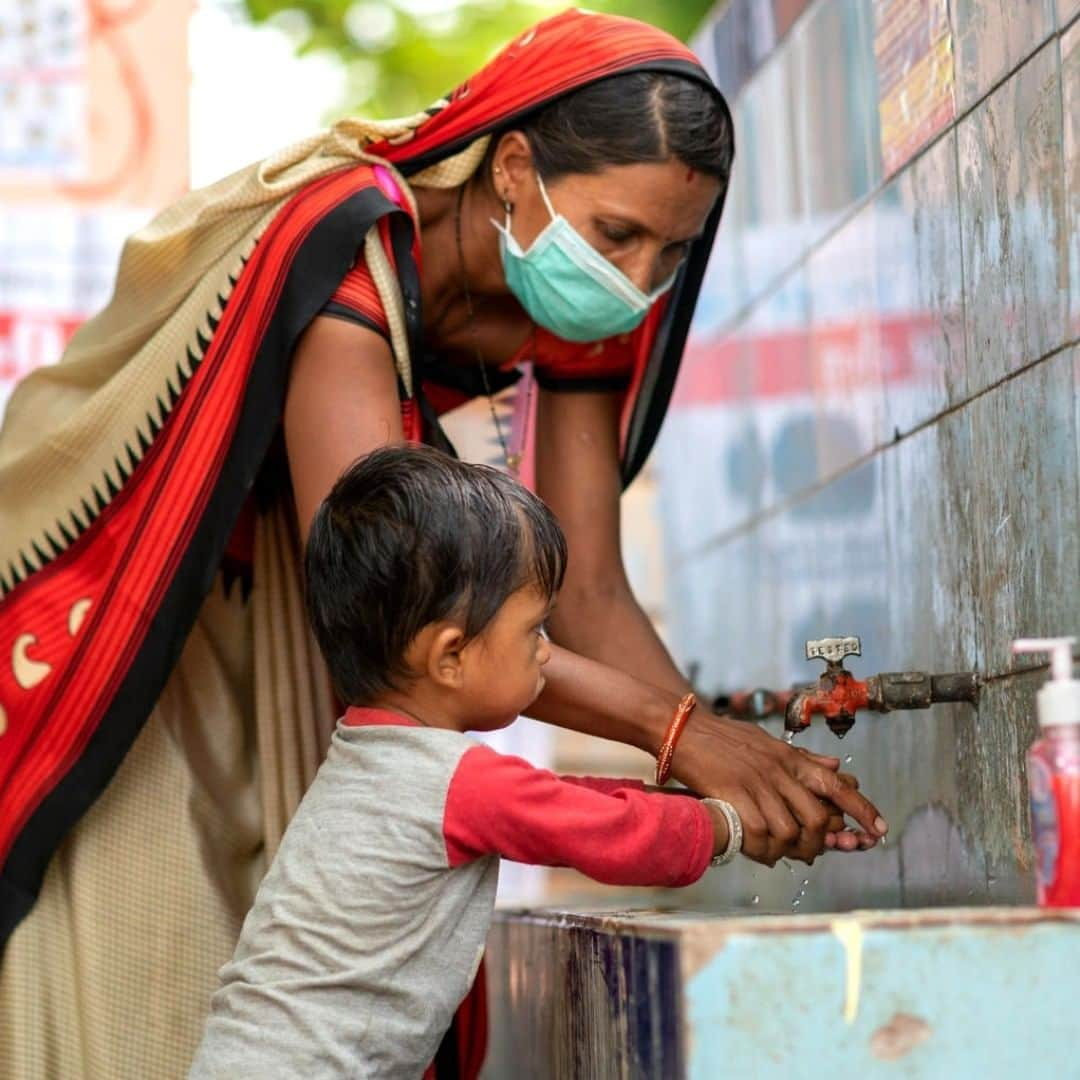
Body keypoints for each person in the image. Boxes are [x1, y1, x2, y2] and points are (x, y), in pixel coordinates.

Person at [0, 10, 886, 1078]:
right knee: (143, 984)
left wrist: (733, 769)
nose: (641, 274)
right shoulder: (353, 245)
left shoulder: (591, 309)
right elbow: (412, 606)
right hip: (150, 632)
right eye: (616, 235)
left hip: (304, 640)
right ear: (515, 167)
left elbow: (591, 589)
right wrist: (685, 739)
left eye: (673, 249)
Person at [189, 444, 740, 1079]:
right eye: (535, 629)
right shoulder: (450, 780)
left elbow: (559, 802)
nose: (544, 652)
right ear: (450, 656)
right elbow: (606, 833)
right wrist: (728, 827)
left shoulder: (381, 756)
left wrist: (682, 801)